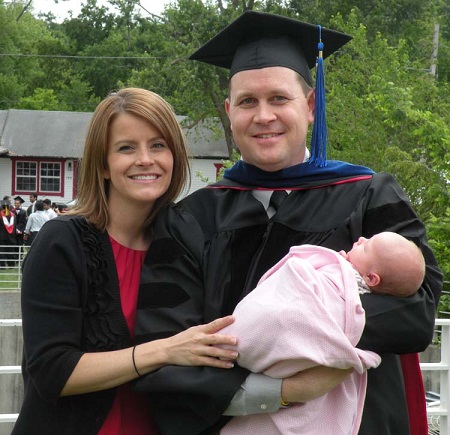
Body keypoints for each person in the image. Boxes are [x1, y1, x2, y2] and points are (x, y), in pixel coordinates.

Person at [134, 11, 442, 435]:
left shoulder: (369, 195)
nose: (263, 116)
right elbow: (167, 347)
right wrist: (280, 389)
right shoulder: (190, 219)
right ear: (229, 112)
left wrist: (289, 326)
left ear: (311, 106)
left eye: (279, 98)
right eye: (247, 102)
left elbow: (416, 312)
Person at [12, 87, 239, 435]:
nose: (145, 159)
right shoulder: (63, 241)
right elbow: (51, 371)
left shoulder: (188, 242)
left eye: (158, 145)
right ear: (103, 165)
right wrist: (165, 350)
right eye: (126, 148)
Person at [219, 232, 425, 434]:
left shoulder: (346, 290)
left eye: (366, 246)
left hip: (246, 338)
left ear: (371, 278)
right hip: (267, 325)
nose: (361, 239)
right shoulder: (331, 273)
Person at [0, 199, 17, 268]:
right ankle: (11, 265)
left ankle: (2, 265)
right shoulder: (13, 215)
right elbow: (15, 226)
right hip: (11, 236)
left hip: (1, 236)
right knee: (10, 250)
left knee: (2, 251)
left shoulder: (0, 216)